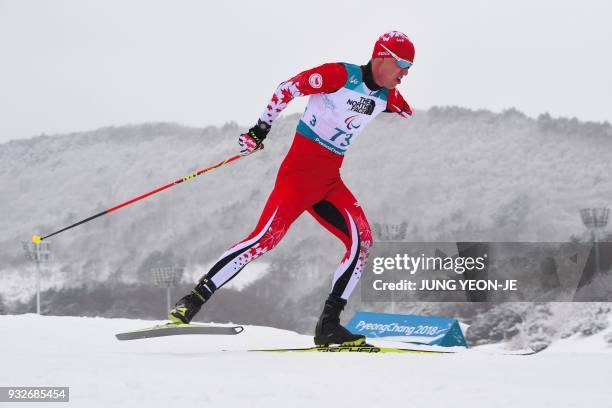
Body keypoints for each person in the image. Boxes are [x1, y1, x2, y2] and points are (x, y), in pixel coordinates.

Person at [169, 31, 415, 346]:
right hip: (297, 178)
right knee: (263, 241)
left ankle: (328, 326)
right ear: (381, 56)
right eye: (403, 64)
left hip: (329, 182)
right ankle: (192, 300)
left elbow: (404, 109)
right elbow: (286, 89)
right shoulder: (338, 75)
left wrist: (402, 109)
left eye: (410, 67)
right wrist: (259, 130)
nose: (406, 73)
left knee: (363, 242)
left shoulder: (388, 96)